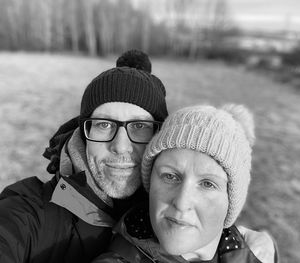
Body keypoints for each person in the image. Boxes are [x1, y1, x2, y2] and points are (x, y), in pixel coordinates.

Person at [0, 50, 275, 263]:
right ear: (84, 133)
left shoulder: (172, 213)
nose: (120, 147)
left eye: (140, 127)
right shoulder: (30, 212)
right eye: (104, 124)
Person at [93, 104, 278, 263]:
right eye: (170, 177)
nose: (182, 202)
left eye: (207, 184)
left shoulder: (251, 254)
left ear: (231, 202)